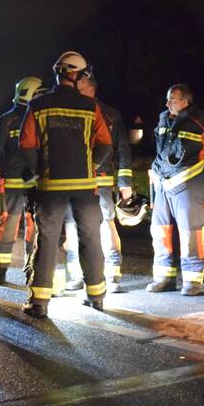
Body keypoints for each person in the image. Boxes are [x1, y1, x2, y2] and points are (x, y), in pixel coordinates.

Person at [18, 52, 112, 318]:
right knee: (91, 238)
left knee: (47, 240)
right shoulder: (91, 107)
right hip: (85, 186)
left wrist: (38, 171)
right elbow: (105, 143)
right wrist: (90, 166)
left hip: (50, 186)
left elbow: (25, 145)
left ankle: (39, 303)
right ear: (79, 76)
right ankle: (97, 296)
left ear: (58, 73)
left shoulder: (38, 106)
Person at [146, 84, 204, 296]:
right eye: (167, 99)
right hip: (163, 184)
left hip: (189, 183)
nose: (168, 104)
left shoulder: (202, 120)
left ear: (185, 101)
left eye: (172, 99)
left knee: (190, 232)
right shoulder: (164, 117)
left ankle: (192, 281)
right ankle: (164, 278)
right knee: (161, 232)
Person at [63, 72, 133, 293]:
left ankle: (112, 274)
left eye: (79, 83)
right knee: (72, 225)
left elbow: (122, 149)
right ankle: (75, 273)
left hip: (100, 179)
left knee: (105, 223)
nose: (75, 85)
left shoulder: (110, 114)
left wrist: (125, 182)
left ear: (90, 87)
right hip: (75, 179)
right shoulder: (71, 109)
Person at [0, 77, 44, 284]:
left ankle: (10, 271)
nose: (41, 97)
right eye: (38, 93)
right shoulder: (29, 119)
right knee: (22, 226)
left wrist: (3, 167)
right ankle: (16, 270)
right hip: (24, 183)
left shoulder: (10, 119)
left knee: (17, 226)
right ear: (28, 93)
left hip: (20, 182)